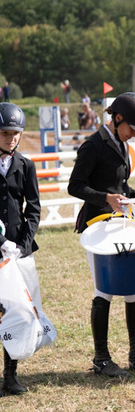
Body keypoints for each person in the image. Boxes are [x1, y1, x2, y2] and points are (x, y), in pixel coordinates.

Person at [68, 92, 135, 377]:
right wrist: (105, 198)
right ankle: (101, 359)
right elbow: (75, 186)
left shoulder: (122, 144)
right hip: (98, 226)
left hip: (123, 223)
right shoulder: (92, 146)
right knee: (105, 291)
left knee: (134, 289)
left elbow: (121, 188)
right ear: (117, 118)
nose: (134, 135)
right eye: (132, 128)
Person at [0, 103, 41, 395]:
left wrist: (23, 246)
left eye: (15, 133)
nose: (11, 138)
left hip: (16, 249)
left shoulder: (26, 165)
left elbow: (34, 209)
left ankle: (10, 375)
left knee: (14, 310)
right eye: (5, 133)